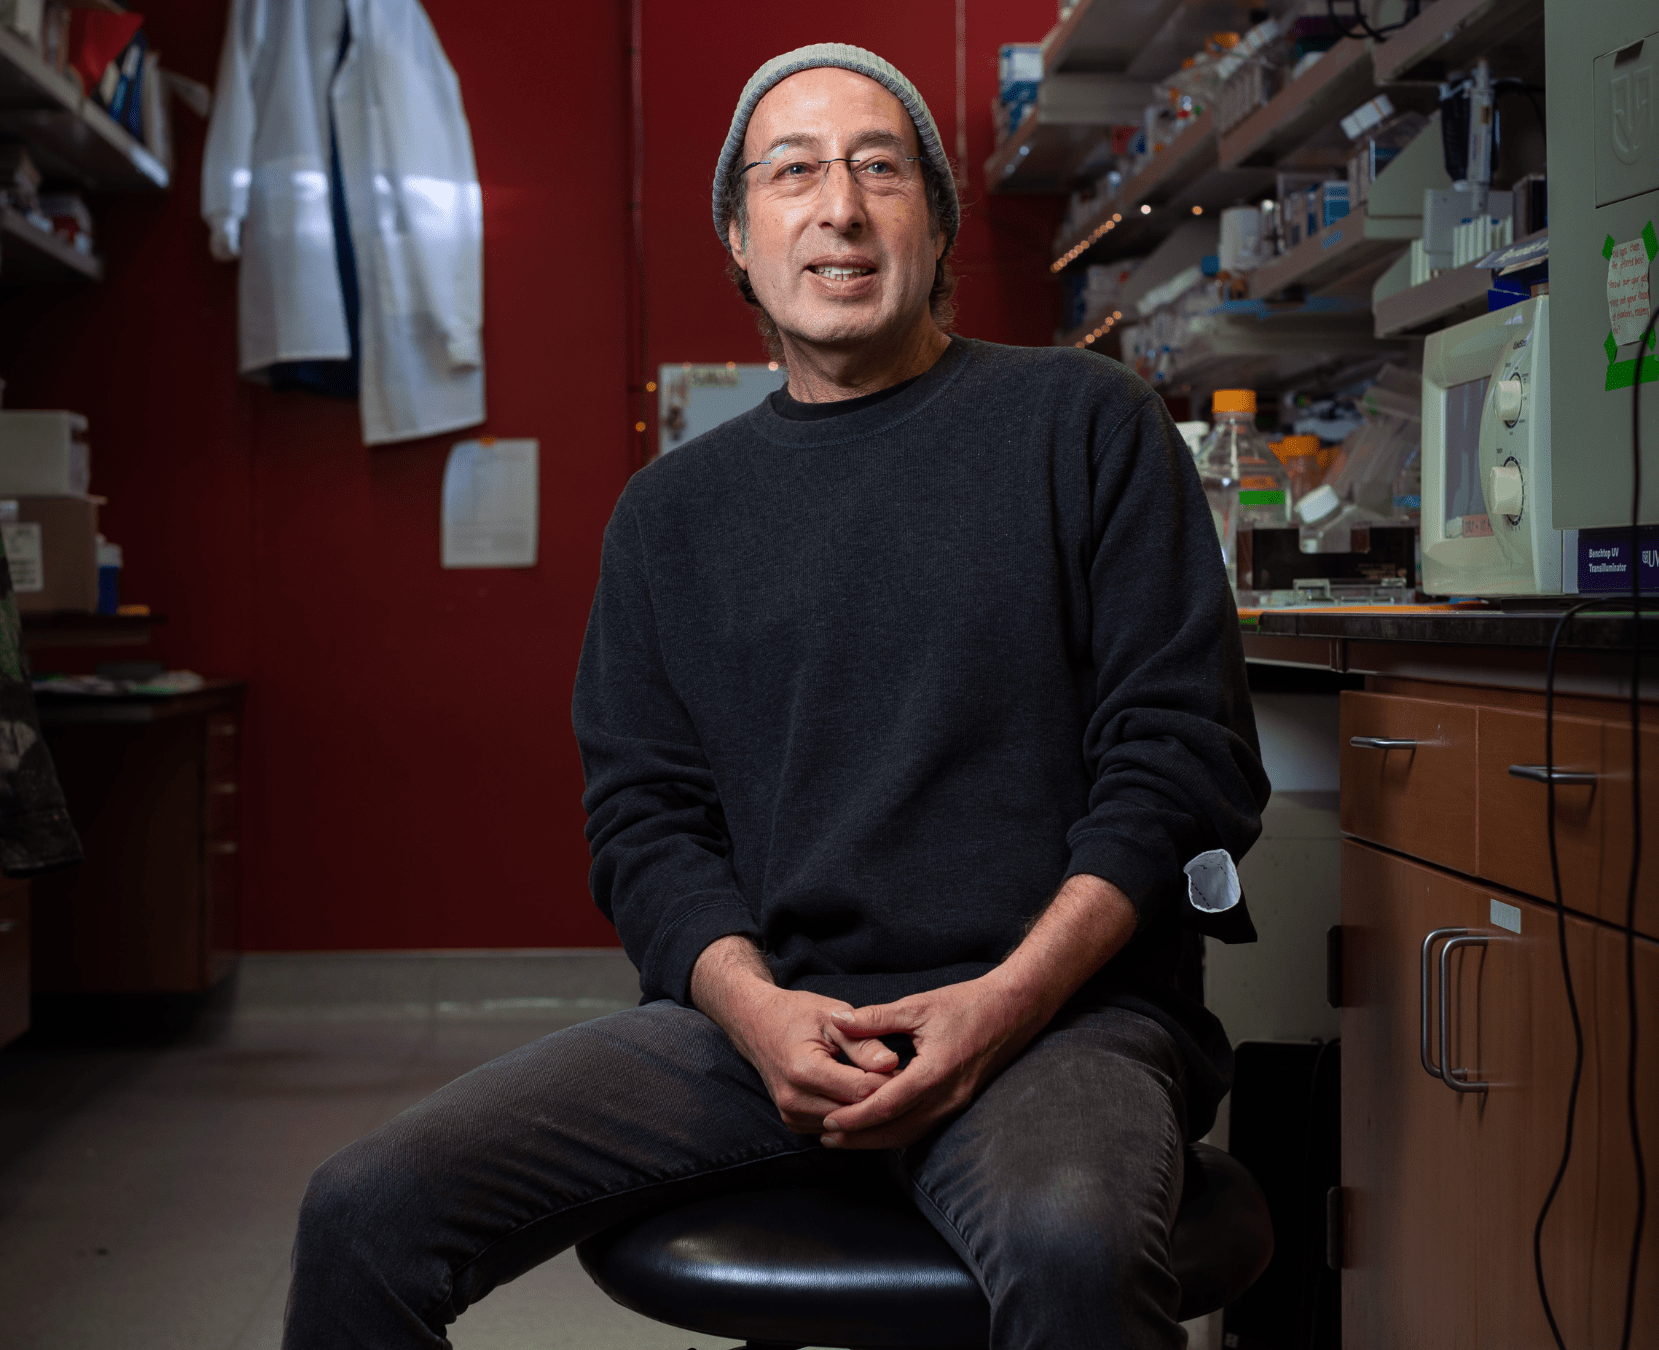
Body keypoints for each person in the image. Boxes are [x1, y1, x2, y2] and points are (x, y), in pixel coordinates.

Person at [282, 43, 1267, 1349]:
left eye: (881, 170)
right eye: (792, 172)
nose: (840, 208)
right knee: (361, 1212)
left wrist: (999, 1006)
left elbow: (1177, 761)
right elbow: (645, 823)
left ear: (938, 225)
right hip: (769, 1025)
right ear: (741, 241)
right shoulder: (671, 517)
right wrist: (756, 1010)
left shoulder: (1085, 425)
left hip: (1057, 1022)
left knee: (1070, 1243)